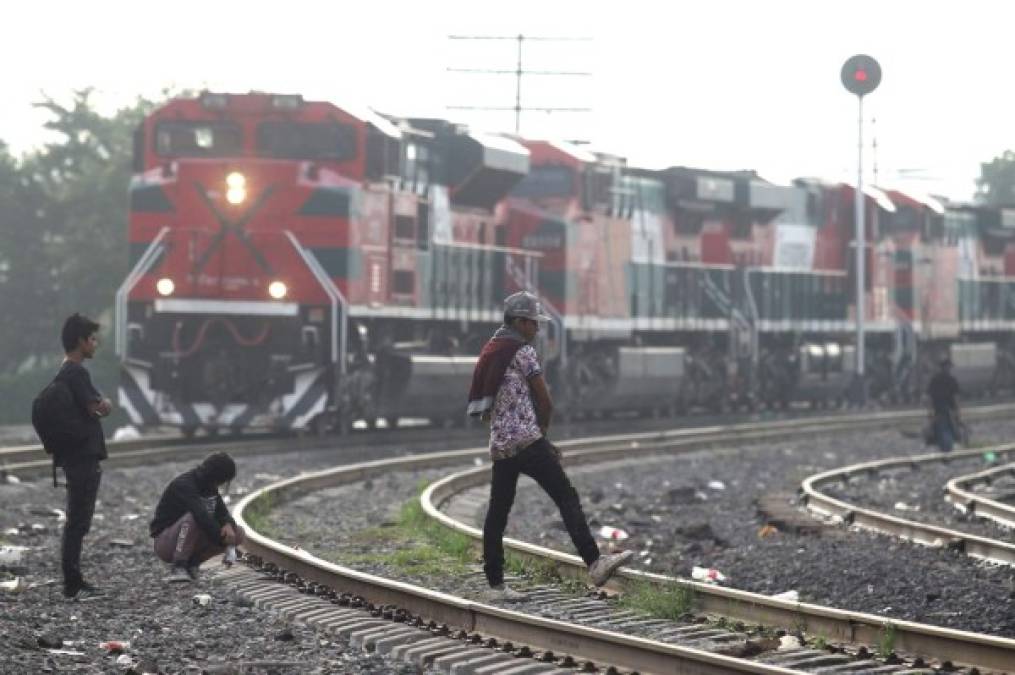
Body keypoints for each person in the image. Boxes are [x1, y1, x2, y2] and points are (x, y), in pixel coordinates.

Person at [467, 291, 632, 601]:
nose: (538, 329)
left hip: (501, 445)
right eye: (533, 323)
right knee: (566, 496)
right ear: (519, 322)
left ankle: (496, 585)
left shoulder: (493, 348)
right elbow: (544, 399)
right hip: (528, 442)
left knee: (497, 513)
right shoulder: (522, 351)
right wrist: (542, 434)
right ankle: (595, 563)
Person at [53, 313, 112, 600]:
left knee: (77, 519)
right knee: (78, 520)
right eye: (92, 339)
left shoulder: (64, 371)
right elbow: (96, 408)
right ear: (80, 341)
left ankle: (73, 579)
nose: (95, 343)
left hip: (75, 457)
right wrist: (107, 404)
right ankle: (72, 582)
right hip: (82, 459)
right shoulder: (77, 372)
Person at [150, 452, 245, 582]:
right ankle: (179, 566)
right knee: (193, 519)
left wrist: (228, 525)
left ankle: (192, 564)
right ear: (215, 476)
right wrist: (224, 542)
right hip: (166, 543)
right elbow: (202, 516)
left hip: (189, 537)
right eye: (222, 480)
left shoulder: (210, 487)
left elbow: (222, 512)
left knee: (238, 532)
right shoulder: (184, 485)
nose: (221, 484)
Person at [925, 357, 961, 452]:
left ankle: (942, 447)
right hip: (948, 411)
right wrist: (958, 412)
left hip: (938, 411)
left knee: (938, 430)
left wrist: (929, 412)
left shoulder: (934, 380)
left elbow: (929, 397)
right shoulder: (952, 380)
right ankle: (948, 448)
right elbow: (955, 398)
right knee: (950, 430)